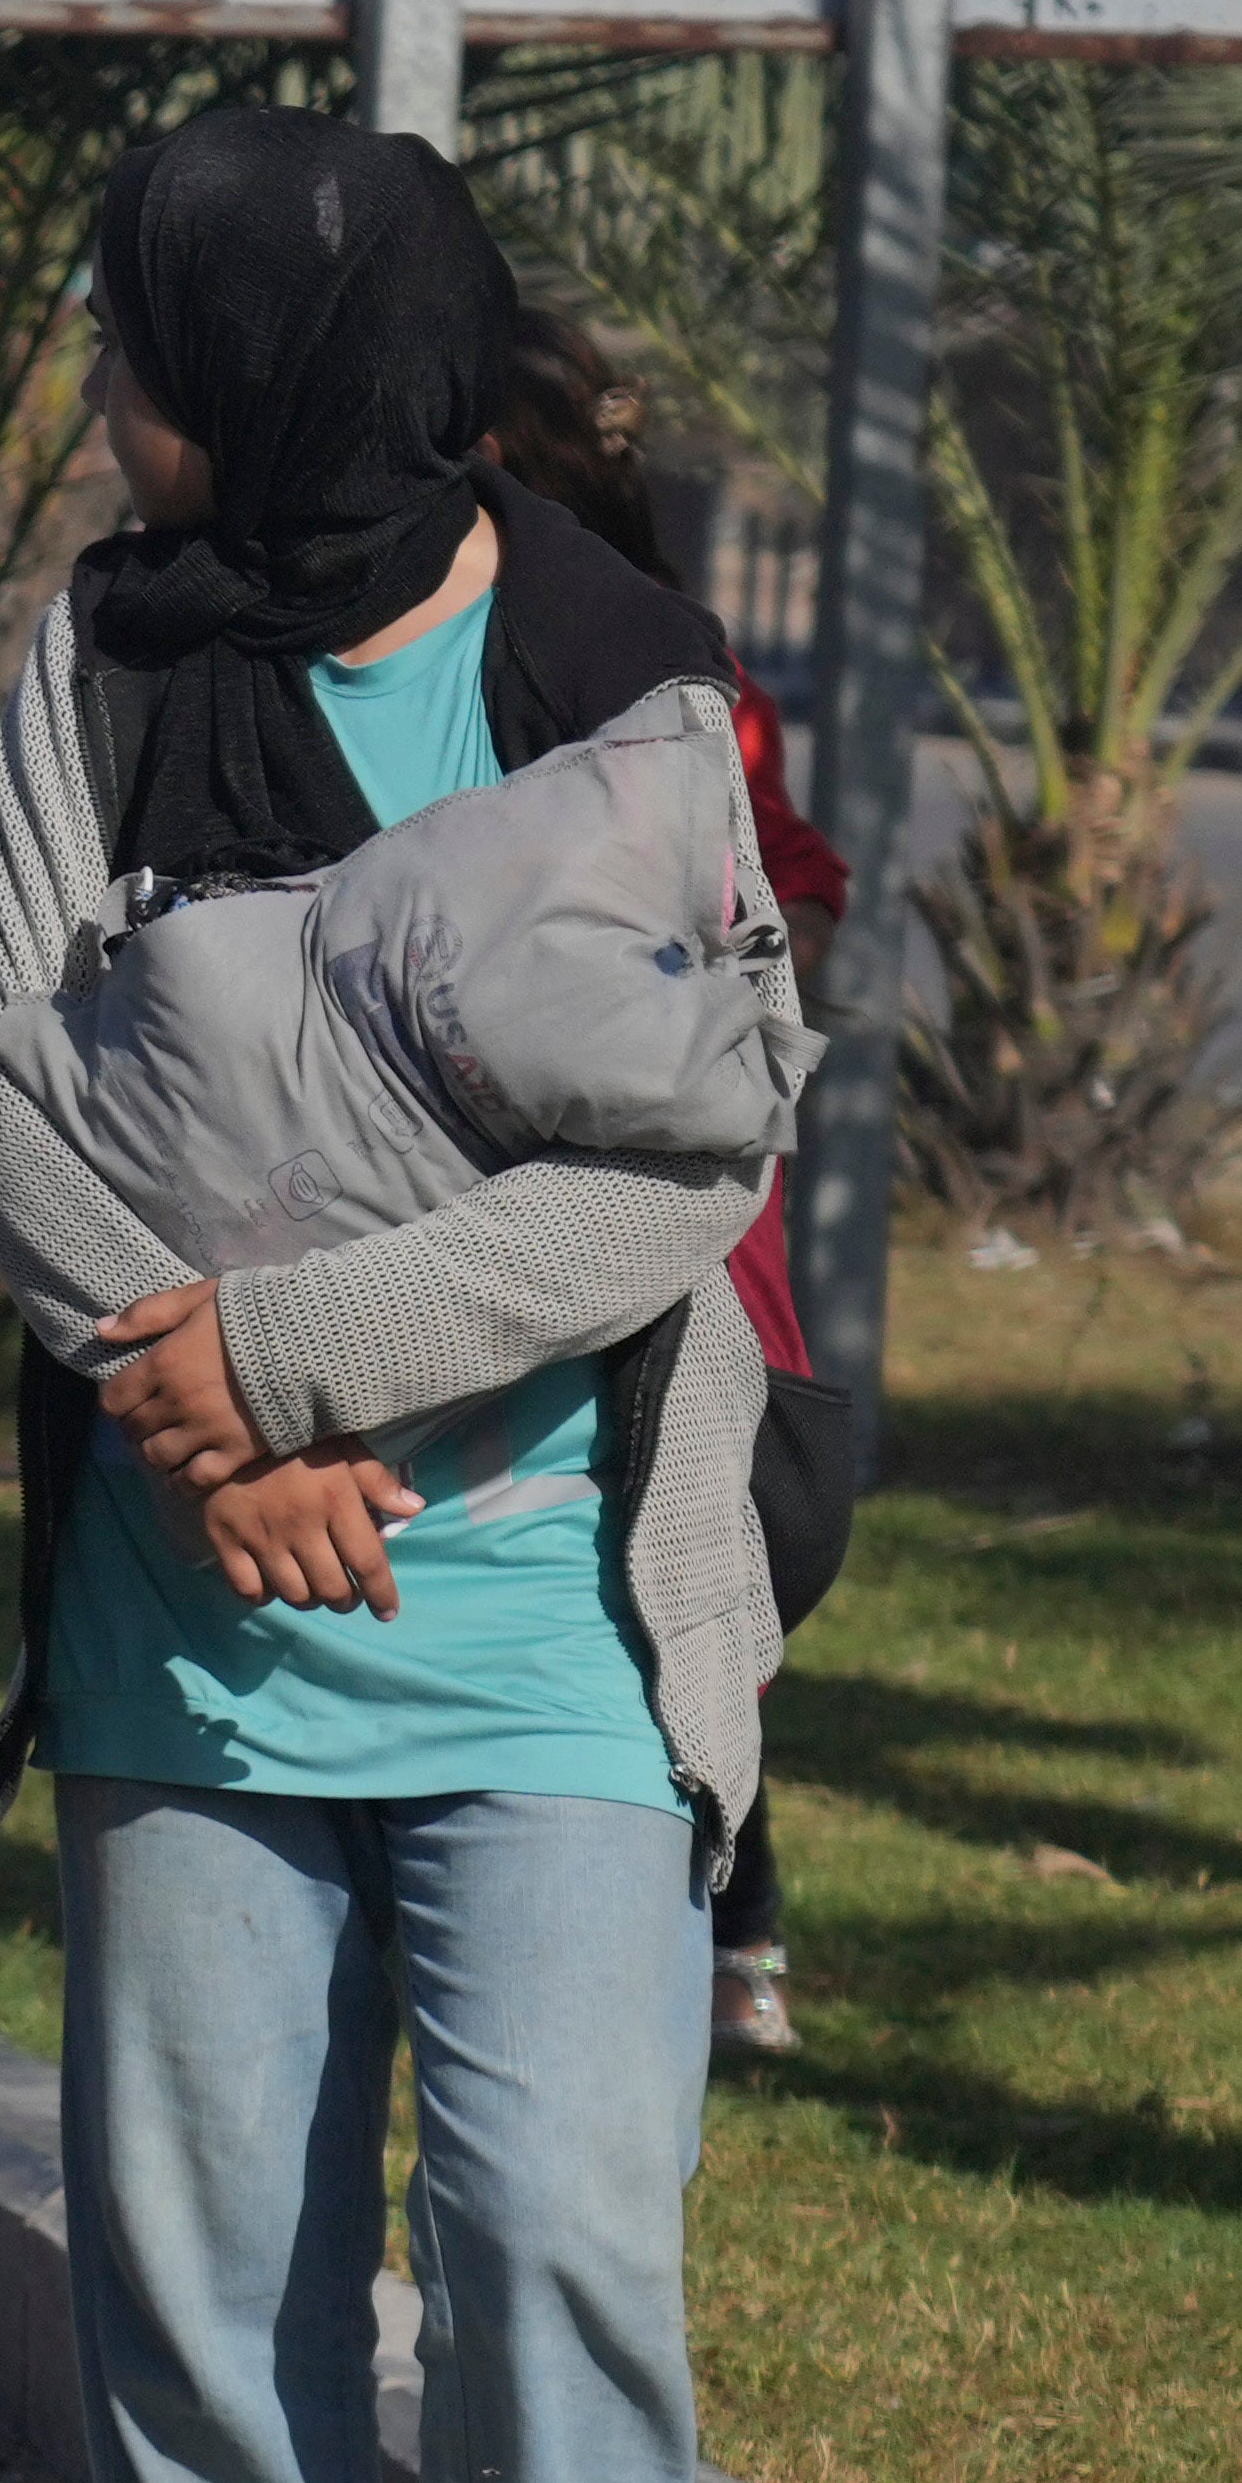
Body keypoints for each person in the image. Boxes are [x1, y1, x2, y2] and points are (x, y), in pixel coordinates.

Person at [0, 104, 783, 2483]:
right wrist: (205, 1433)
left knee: (558, 2231)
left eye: (141, 347)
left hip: (546, 1610)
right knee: (209, 2269)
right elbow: (4, 1074)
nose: (111, 404)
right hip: (193, 1633)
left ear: (291, 369)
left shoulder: (611, 668)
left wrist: (283, 1356)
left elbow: (689, 1152)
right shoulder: (106, 657)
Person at [486, 298, 857, 2062]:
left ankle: (733, 1910)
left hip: (675, 1215)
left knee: (689, 1536)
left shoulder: (666, 682)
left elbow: (789, 899)